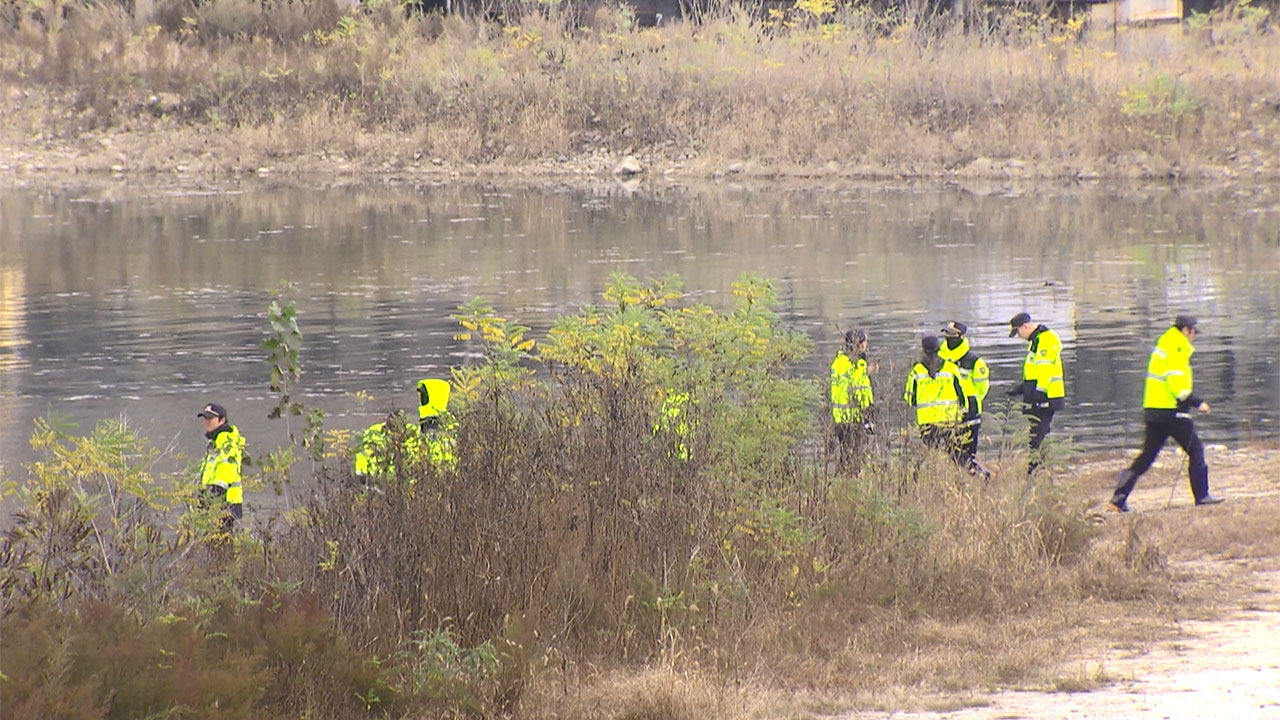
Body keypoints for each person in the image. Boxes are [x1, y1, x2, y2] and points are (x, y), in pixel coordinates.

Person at [1109, 315, 1223, 512]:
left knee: (1146, 456)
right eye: (1194, 332)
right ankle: (1202, 496)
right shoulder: (1177, 346)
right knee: (1195, 450)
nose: (1195, 336)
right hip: (1172, 411)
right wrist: (1197, 403)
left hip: (1154, 409)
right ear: (1186, 330)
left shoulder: (1165, 342)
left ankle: (1118, 498)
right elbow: (1175, 382)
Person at [904, 336, 981, 473]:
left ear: (923, 350)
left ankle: (932, 481)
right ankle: (976, 472)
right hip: (950, 420)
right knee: (956, 454)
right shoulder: (951, 368)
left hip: (927, 423)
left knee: (931, 455)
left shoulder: (916, 371)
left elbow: (910, 399)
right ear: (939, 348)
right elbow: (962, 397)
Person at [1008, 312, 1065, 475]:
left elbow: (1046, 370)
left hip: (1047, 396)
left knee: (1037, 436)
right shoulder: (1036, 340)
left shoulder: (1046, 339)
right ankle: (1041, 468)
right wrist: (1022, 388)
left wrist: (1039, 392)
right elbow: (1035, 371)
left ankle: (1034, 471)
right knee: (1039, 434)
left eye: (1018, 332)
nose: (1019, 336)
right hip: (1038, 394)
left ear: (1025, 327)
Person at [938, 320, 990, 477]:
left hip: (970, 412)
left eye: (952, 334)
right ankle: (969, 478)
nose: (948, 337)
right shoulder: (939, 360)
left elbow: (982, 388)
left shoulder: (974, 361)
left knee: (968, 452)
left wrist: (970, 402)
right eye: (946, 333)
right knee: (952, 452)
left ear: (961, 336)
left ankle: (976, 479)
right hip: (946, 413)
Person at [829, 328, 874, 471]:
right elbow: (861, 392)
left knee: (844, 454)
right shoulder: (857, 364)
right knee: (855, 457)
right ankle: (851, 483)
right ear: (860, 344)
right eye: (865, 342)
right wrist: (868, 416)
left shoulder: (838, 361)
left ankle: (842, 482)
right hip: (854, 417)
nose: (866, 345)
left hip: (839, 417)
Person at [197, 403, 245, 530]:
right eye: (205, 419)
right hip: (214, 502)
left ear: (222, 420)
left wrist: (213, 494)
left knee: (220, 543)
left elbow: (226, 471)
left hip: (225, 503)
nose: (206, 422)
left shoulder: (227, 441)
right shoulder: (215, 442)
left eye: (210, 419)